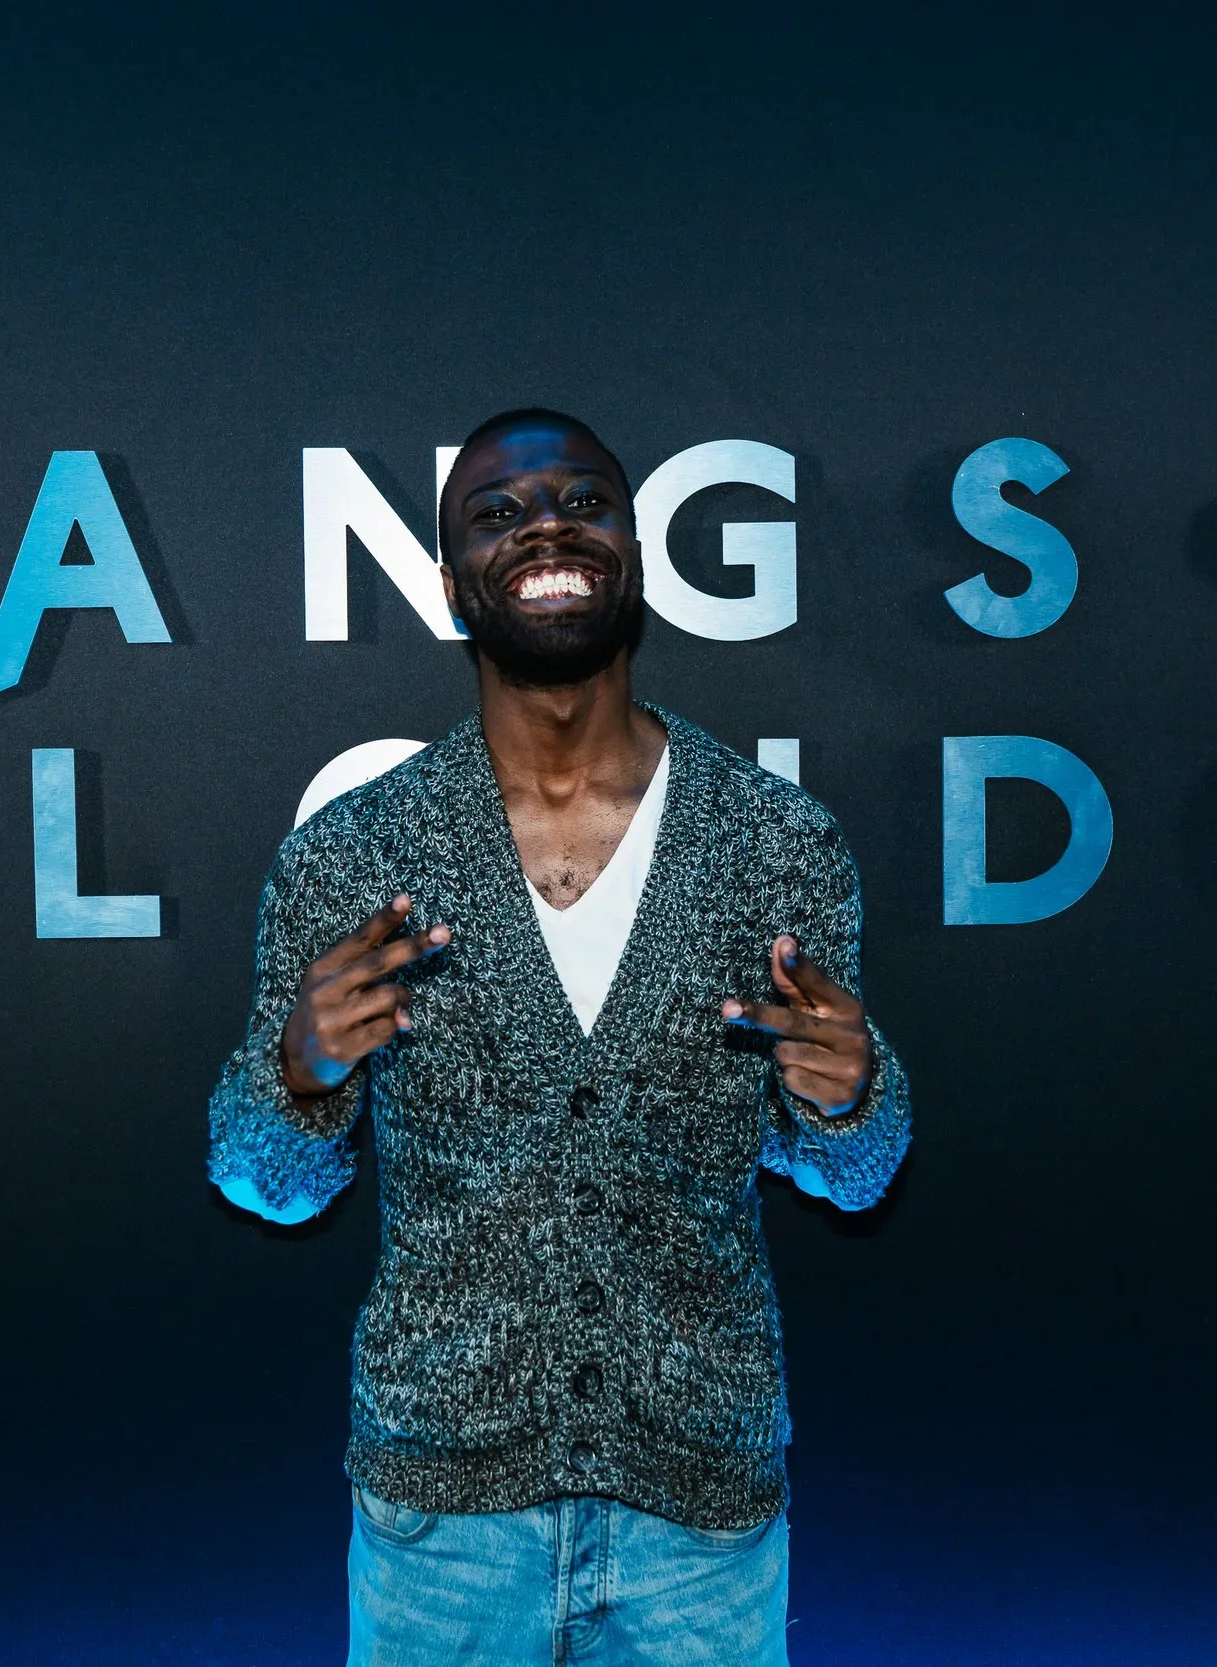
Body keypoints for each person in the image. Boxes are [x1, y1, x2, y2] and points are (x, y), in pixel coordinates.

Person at [207, 408, 912, 1665]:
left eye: (582, 502)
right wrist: (297, 1071)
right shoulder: (354, 855)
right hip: (443, 1525)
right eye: (498, 511)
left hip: (698, 1516)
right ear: (449, 584)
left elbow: (852, 1176)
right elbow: (263, 1180)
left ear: (633, 549)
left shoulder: (777, 843)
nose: (545, 525)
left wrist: (855, 1099)